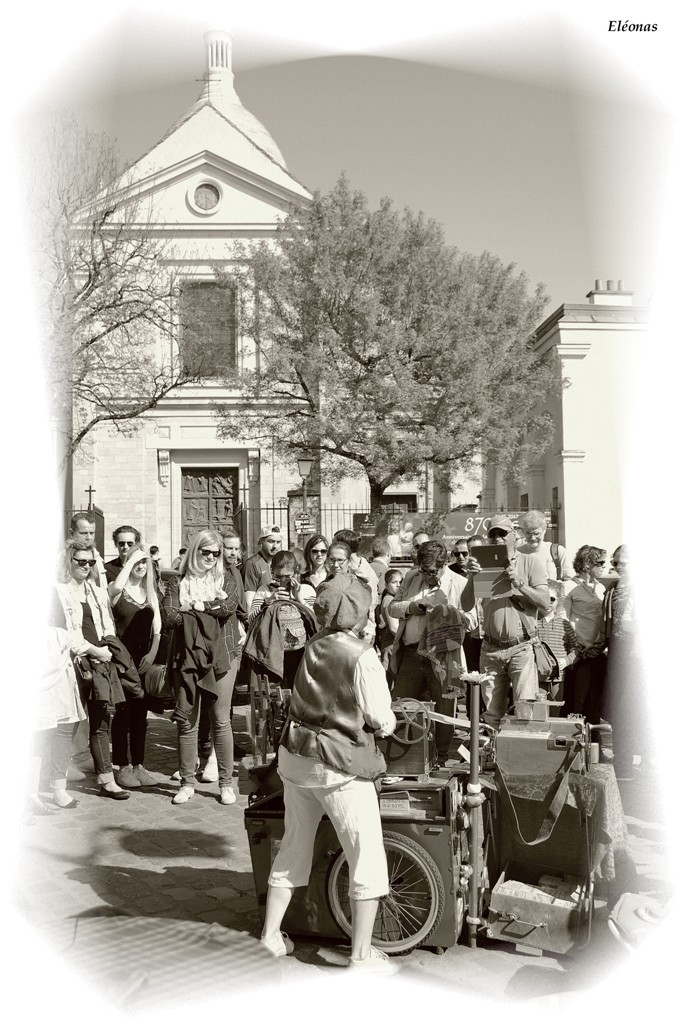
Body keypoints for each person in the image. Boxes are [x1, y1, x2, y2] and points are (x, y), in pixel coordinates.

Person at [259, 573, 398, 973]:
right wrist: (386, 724)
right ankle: (360, 956)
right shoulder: (361, 655)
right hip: (336, 766)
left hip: (294, 759)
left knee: (294, 845)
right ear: (361, 612)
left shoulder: (315, 642)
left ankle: (270, 937)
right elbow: (379, 717)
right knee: (366, 855)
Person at [56, 539, 144, 799]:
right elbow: (65, 633)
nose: (86, 566)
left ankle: (106, 780)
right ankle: (56, 785)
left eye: (90, 562)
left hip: (100, 663)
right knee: (68, 724)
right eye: (80, 561)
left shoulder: (96, 590)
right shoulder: (59, 591)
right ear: (68, 562)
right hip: (73, 663)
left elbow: (107, 626)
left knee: (101, 721)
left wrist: (105, 651)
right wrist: (93, 650)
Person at [162, 531, 240, 805]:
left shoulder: (226, 580)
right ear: (194, 551)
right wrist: (207, 608)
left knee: (221, 721)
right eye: (204, 552)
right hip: (187, 658)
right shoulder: (176, 582)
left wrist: (193, 605)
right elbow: (170, 615)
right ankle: (186, 783)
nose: (210, 557)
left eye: (215, 553)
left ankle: (226, 784)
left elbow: (228, 606)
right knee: (188, 722)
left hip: (224, 656)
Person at [389, 540, 471, 764]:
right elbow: (392, 607)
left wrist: (446, 613)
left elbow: (473, 621)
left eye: (432, 571)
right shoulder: (411, 577)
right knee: (401, 705)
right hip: (412, 653)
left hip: (444, 655)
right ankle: (401, 759)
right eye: (423, 570)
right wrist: (412, 607)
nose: (427, 576)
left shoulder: (460, 583)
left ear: (444, 564)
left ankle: (441, 757)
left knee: (445, 709)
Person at [467, 515, 550, 730]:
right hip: (491, 649)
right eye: (493, 534)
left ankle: (519, 759)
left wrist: (519, 583)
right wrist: (470, 578)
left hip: (521, 647)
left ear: (514, 536)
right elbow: (466, 605)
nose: (497, 538)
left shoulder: (530, 562)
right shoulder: (482, 565)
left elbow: (545, 603)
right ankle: (494, 759)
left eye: (502, 533)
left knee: (524, 710)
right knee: (492, 714)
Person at [108, 543, 163, 788]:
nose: (141, 566)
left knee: (141, 716)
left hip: (143, 661)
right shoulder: (118, 590)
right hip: (122, 661)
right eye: (136, 562)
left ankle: (138, 765)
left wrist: (152, 654)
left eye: (144, 563)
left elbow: (158, 628)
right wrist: (131, 559)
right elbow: (115, 588)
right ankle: (122, 767)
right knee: (123, 714)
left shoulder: (149, 591)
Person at [593, 546, 651, 778]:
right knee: (617, 707)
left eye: (623, 563)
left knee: (636, 707)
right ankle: (624, 758)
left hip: (637, 654)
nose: (617, 567)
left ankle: (641, 759)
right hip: (617, 651)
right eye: (615, 563)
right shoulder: (613, 588)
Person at [30, 588, 87, 814]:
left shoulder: (53, 589)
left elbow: (66, 625)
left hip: (60, 663)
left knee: (63, 727)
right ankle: (30, 792)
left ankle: (58, 787)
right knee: (38, 732)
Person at [559, 545, 608, 720]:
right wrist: (575, 647)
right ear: (587, 564)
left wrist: (600, 645)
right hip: (579, 653)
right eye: (600, 562)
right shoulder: (569, 586)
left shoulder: (601, 588)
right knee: (576, 703)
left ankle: (593, 743)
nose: (604, 566)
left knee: (594, 703)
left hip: (598, 651)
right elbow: (562, 618)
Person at [536, 584, 581, 706]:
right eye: (544, 597)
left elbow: (576, 648)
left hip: (557, 678)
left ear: (558, 601)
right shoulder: (532, 622)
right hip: (535, 678)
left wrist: (566, 661)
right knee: (538, 714)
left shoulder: (564, 624)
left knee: (554, 714)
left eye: (552, 598)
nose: (548, 602)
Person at [516, 509, 572, 582]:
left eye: (536, 534)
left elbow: (570, 580)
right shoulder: (518, 554)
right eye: (528, 533)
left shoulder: (557, 551)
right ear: (523, 532)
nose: (533, 538)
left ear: (544, 531)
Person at [242, 525, 283, 613]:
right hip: (260, 616)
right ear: (261, 541)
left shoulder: (280, 562)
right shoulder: (252, 564)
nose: (275, 546)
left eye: (278, 542)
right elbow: (248, 601)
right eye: (271, 541)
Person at [375, 568, 403, 680]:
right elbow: (393, 627)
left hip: (392, 643)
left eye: (400, 582)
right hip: (391, 644)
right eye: (394, 582)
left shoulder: (393, 598)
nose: (398, 585)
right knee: (391, 678)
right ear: (386, 584)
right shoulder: (389, 600)